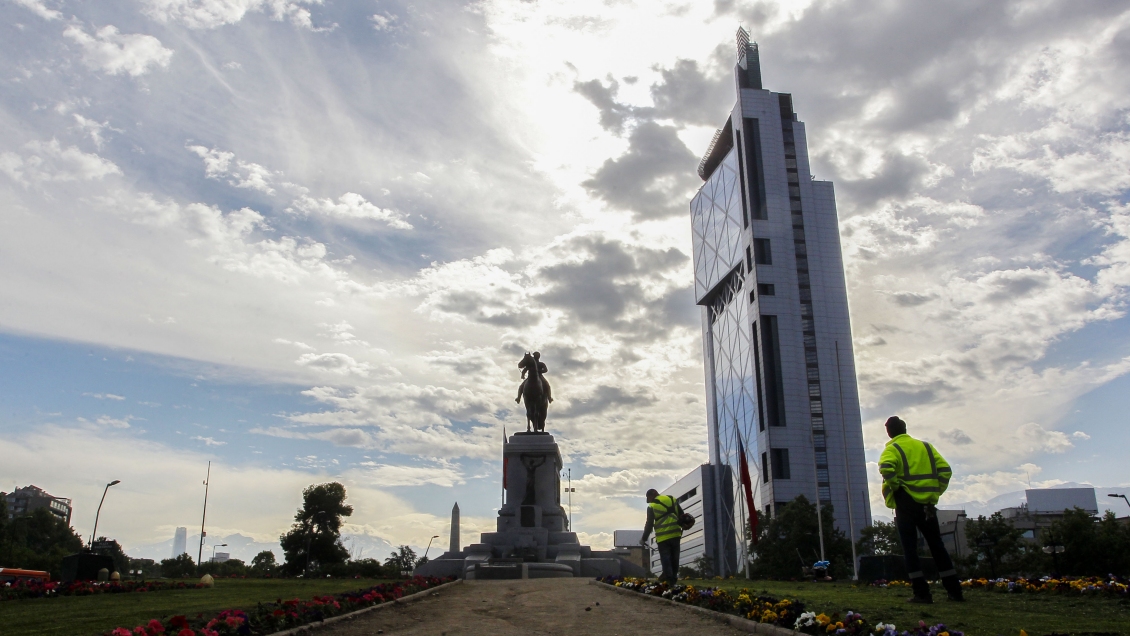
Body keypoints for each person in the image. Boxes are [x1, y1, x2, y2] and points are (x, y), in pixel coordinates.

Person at [878, 416, 964, 603]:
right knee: (937, 547)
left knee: (910, 549)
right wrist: (935, 491)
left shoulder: (893, 449)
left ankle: (922, 593)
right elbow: (945, 470)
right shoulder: (926, 447)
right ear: (905, 428)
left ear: (889, 432)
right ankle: (955, 591)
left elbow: (886, 467)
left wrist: (896, 486)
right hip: (928, 505)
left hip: (906, 502)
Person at [639, 488, 685, 586]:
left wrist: (643, 539)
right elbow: (681, 514)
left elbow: (649, 524)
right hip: (676, 534)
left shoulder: (652, 506)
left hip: (663, 536)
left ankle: (669, 579)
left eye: (649, 499)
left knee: (666, 558)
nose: (649, 501)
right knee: (675, 558)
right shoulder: (671, 499)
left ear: (652, 495)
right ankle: (673, 578)